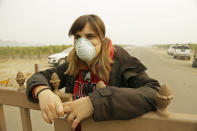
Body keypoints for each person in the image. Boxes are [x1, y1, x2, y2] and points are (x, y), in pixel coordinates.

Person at [26, 14, 161, 131]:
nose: (82, 42)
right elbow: (42, 76)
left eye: (90, 36)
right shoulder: (74, 62)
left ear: (101, 39)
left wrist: (94, 102)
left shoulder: (120, 59)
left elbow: (153, 92)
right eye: (77, 37)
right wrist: (42, 91)